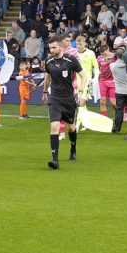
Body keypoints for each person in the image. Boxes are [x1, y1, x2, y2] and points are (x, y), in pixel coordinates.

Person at [42, 34, 83, 169]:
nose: (51, 50)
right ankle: (55, 160)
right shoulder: (49, 61)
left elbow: (84, 76)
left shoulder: (71, 60)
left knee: (71, 127)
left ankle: (73, 149)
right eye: (50, 48)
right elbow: (47, 78)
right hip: (55, 99)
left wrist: (81, 93)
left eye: (54, 48)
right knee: (54, 126)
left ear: (60, 46)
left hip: (69, 99)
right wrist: (44, 92)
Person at [110, 45, 127, 134]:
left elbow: (114, 59)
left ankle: (116, 129)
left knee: (119, 111)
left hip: (119, 91)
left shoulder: (112, 65)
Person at [97, 45, 116, 117]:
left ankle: (119, 114)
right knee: (102, 100)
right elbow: (98, 67)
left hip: (112, 81)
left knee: (113, 102)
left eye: (105, 54)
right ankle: (104, 118)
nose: (104, 56)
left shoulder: (115, 57)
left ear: (108, 49)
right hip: (102, 81)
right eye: (102, 55)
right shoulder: (99, 58)